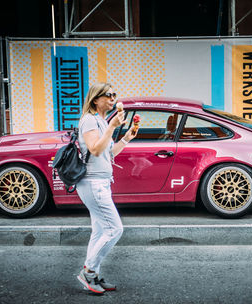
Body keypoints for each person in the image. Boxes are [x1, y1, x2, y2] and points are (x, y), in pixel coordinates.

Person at [75, 82, 137, 294]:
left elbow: (108, 153)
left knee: (100, 230)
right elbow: (94, 148)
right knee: (115, 229)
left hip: (101, 182)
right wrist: (112, 127)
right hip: (92, 183)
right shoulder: (89, 120)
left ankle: (94, 275)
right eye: (108, 95)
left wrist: (126, 138)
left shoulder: (101, 120)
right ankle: (89, 271)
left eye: (114, 94)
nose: (113, 98)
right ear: (95, 99)